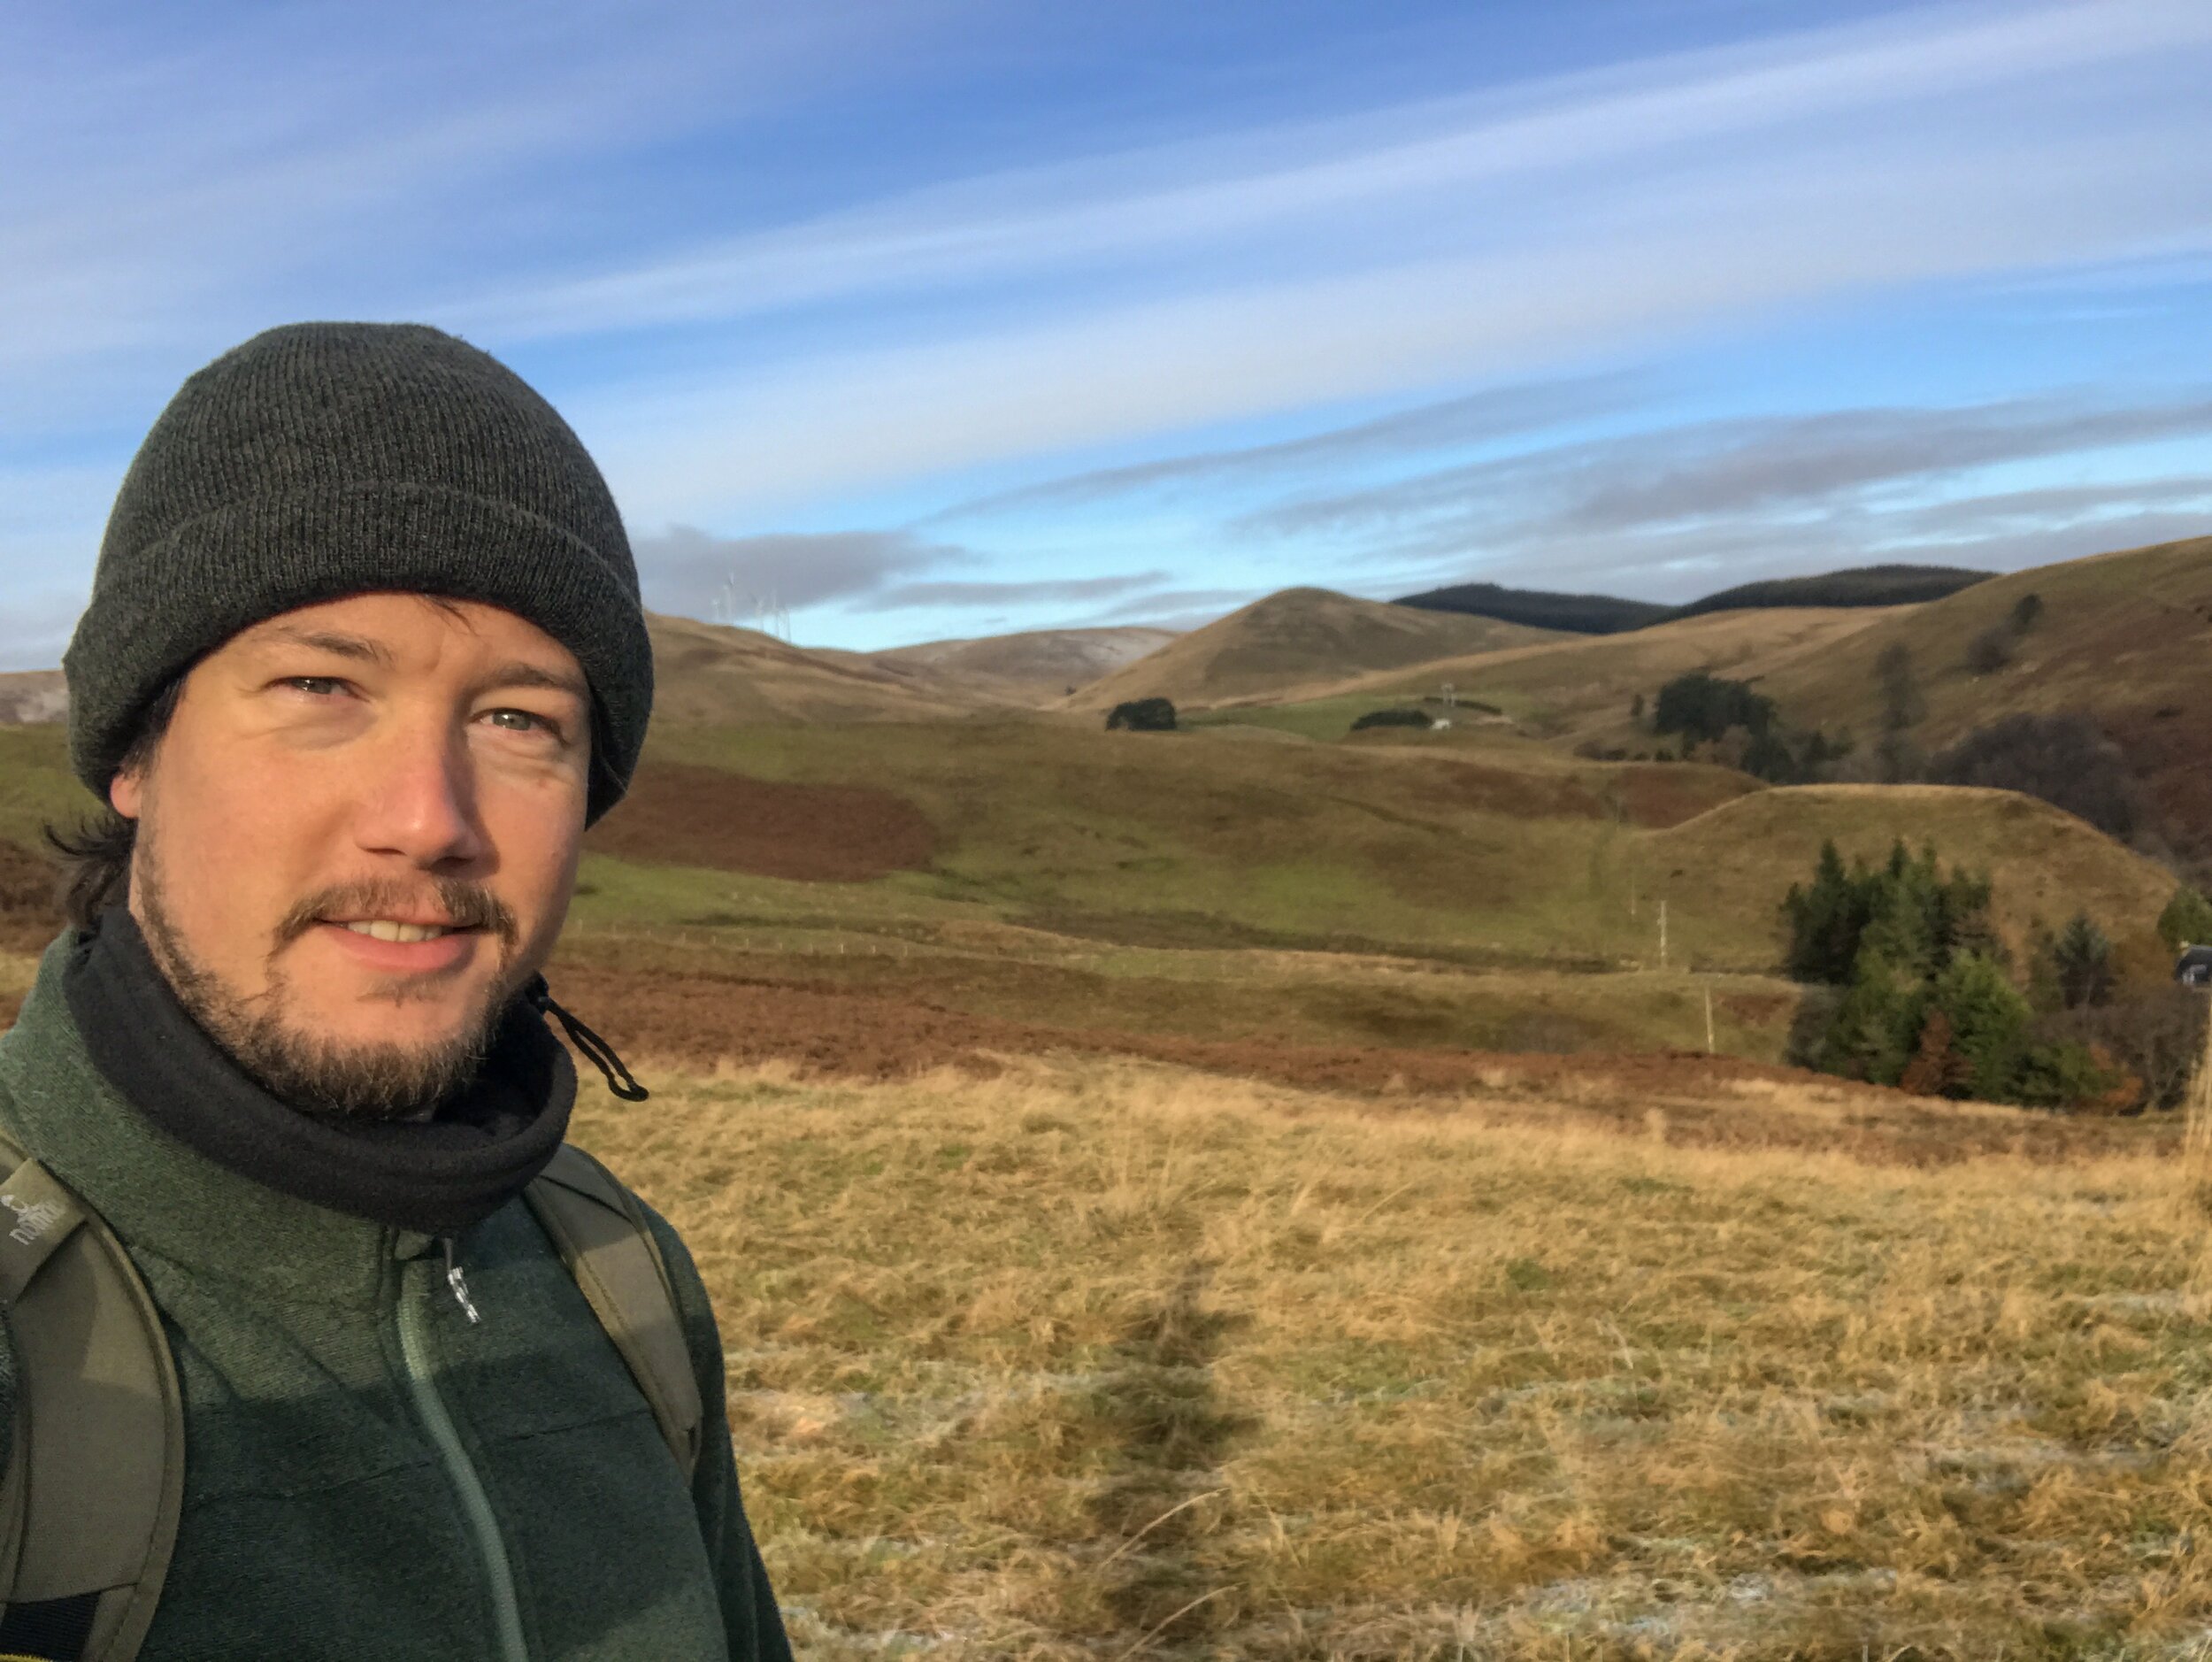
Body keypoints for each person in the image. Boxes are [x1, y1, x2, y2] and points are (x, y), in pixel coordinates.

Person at [0, 323, 791, 1659]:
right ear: (135, 752)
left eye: (519, 720)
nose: (428, 820)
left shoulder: (618, 1272)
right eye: (321, 686)